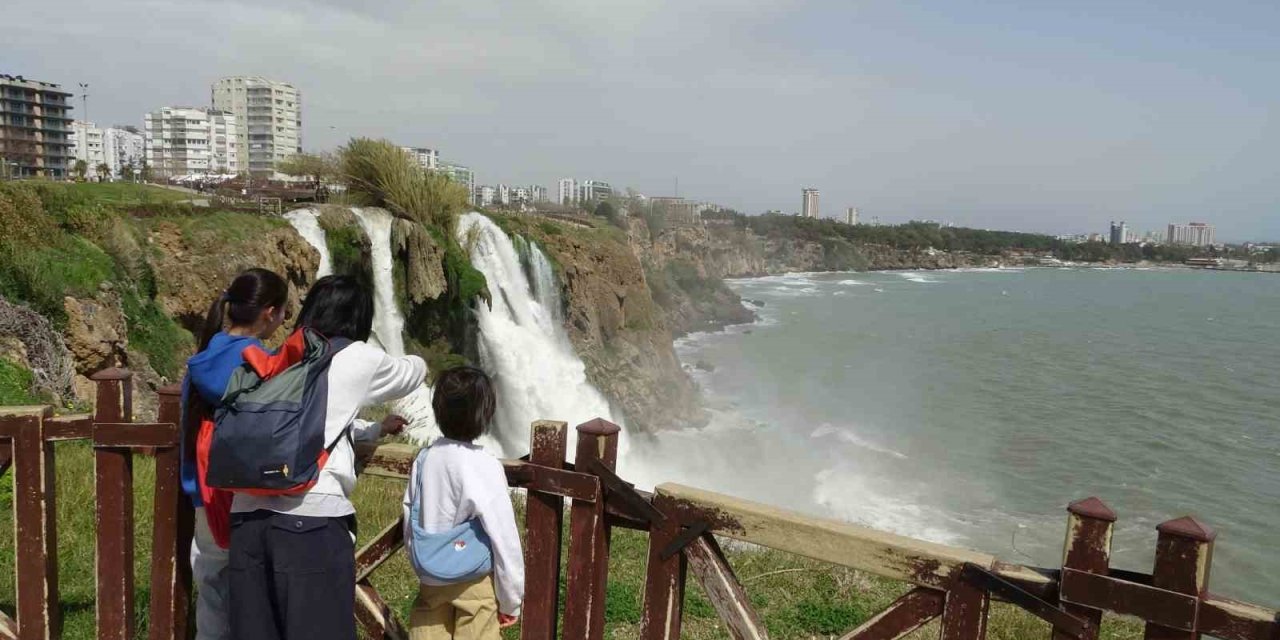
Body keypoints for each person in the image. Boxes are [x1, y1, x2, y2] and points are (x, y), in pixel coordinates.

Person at [227, 274, 424, 640]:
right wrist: (417, 352)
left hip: (246, 521)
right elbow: (412, 374)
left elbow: (315, 418)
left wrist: (369, 429)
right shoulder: (356, 356)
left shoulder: (281, 356)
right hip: (310, 525)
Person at [181, 268, 290, 640]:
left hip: (205, 487)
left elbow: (188, 425)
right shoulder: (262, 361)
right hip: (249, 489)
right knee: (255, 589)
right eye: (284, 313)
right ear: (269, 313)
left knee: (212, 582)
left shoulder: (202, 358)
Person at [403, 366, 524, 640]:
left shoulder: (424, 459)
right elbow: (504, 536)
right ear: (485, 414)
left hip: (431, 580)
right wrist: (511, 599)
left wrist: (421, 563)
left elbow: (409, 515)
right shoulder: (484, 464)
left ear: (438, 411)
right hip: (475, 582)